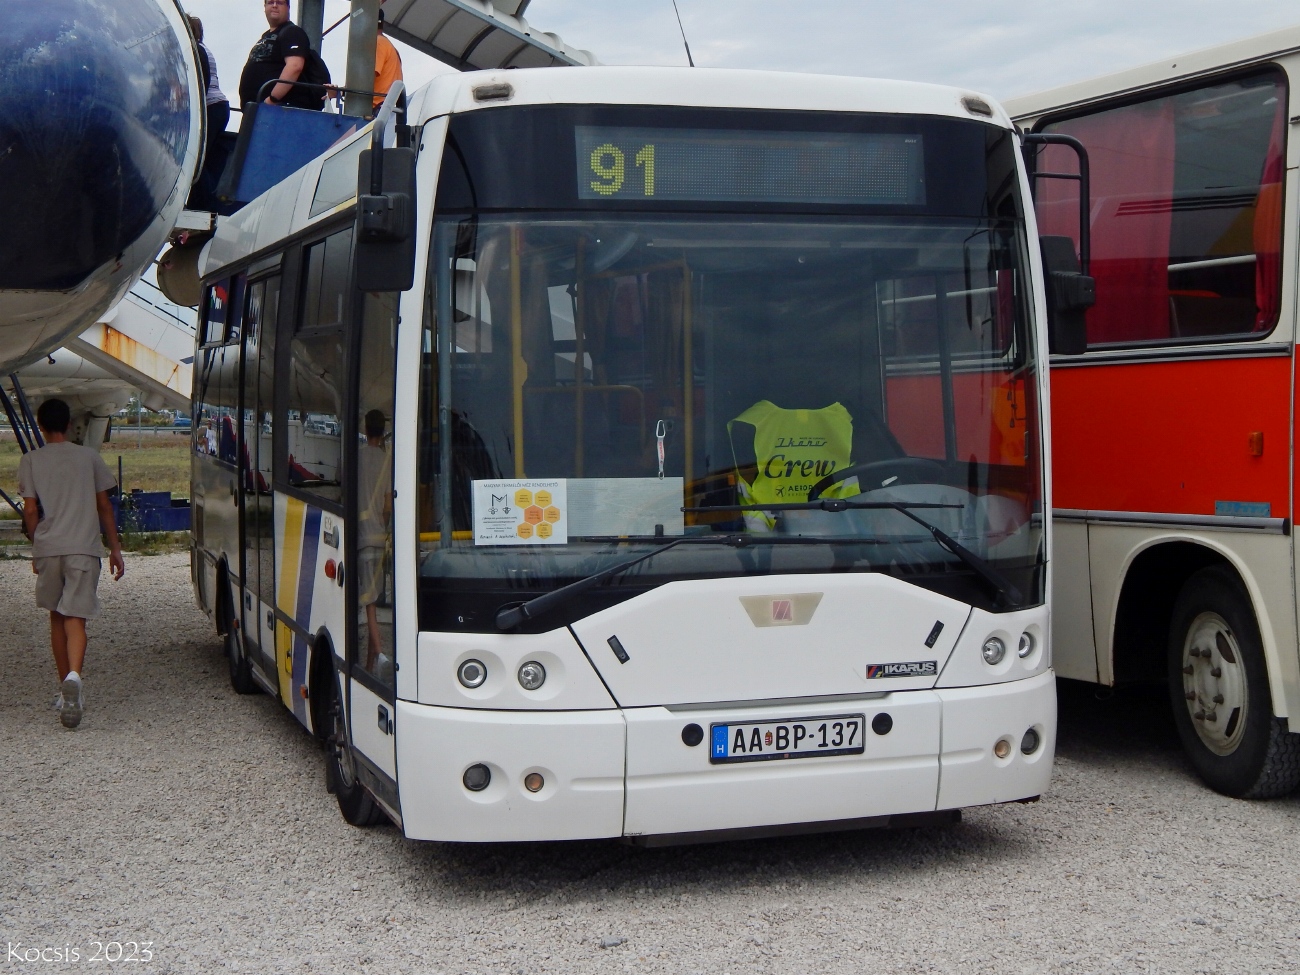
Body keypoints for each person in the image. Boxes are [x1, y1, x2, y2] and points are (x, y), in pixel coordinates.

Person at [18, 399, 125, 730]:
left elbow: (32, 510)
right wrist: (115, 548)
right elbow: (104, 506)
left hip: (50, 547)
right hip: (83, 547)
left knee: (56, 617)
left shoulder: (30, 460)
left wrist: (37, 547)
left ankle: (64, 687)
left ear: (40, 425)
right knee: (76, 619)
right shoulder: (89, 458)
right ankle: (76, 679)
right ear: (68, 425)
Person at [356, 409, 392, 676]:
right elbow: (388, 503)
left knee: (368, 601)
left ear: (366, 429)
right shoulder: (387, 460)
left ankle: (378, 654)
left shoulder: (357, 456)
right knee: (375, 597)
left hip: (363, 536)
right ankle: (369, 666)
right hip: (382, 538)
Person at [239, 0, 324, 111]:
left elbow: (295, 66)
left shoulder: (292, 32)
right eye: (270, 2)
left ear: (288, 7)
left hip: (281, 110)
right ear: (264, 7)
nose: (274, 6)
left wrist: (272, 99)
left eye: (279, 2)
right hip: (258, 111)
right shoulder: (266, 36)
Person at [187, 16, 231, 210]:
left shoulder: (196, 51)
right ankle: (202, 202)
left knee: (195, 159)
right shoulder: (203, 49)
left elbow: (200, 85)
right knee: (205, 159)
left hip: (210, 108)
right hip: (218, 106)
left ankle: (206, 202)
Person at [373, 9, 403, 112]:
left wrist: (340, 92)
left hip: (375, 109)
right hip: (385, 109)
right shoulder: (388, 44)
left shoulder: (378, 43)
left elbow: (365, 80)